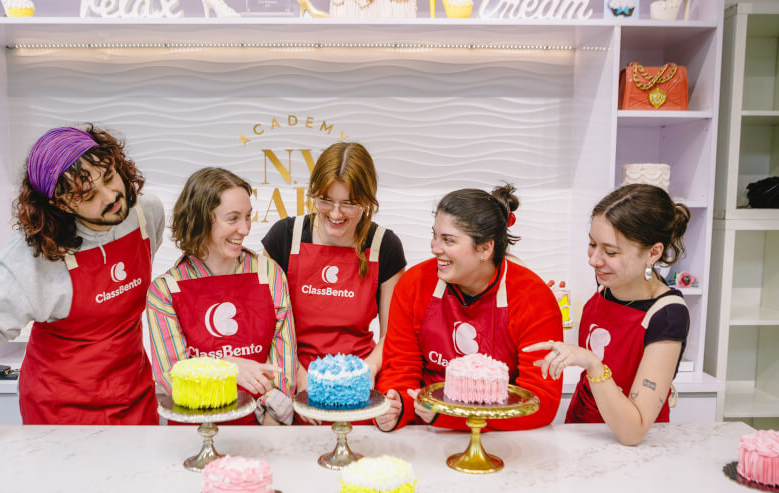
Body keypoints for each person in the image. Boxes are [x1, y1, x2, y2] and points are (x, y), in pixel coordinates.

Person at [0, 125, 165, 424]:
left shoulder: (146, 214)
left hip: (134, 396)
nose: (111, 196)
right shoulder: (29, 258)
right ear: (60, 203)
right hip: (59, 410)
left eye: (109, 177)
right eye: (89, 194)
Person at [375, 184, 563, 431]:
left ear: (485, 248)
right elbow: (400, 368)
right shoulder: (414, 284)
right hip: (428, 432)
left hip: (502, 441)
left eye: (448, 240)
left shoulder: (534, 298)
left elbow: (540, 402)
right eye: (435, 235)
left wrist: (447, 416)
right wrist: (397, 404)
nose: (434, 248)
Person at [523, 184, 690, 446]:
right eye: (592, 244)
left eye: (610, 252)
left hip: (627, 449)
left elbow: (633, 432)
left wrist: (593, 364)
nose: (594, 260)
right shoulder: (607, 286)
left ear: (653, 252)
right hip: (581, 433)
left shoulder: (667, 315)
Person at [147, 168, 296, 425]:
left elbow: (284, 368)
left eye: (248, 217)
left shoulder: (269, 274)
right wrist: (228, 369)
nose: (246, 229)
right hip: (195, 430)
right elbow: (173, 377)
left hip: (260, 426)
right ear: (201, 220)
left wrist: (270, 431)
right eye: (233, 219)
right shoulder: (164, 291)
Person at [261, 141, 406, 407]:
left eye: (349, 204)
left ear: (367, 200)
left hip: (359, 379)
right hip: (292, 374)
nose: (336, 214)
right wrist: (299, 378)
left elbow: (393, 334)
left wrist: (364, 374)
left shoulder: (384, 246)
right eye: (326, 201)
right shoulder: (284, 238)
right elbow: (265, 327)